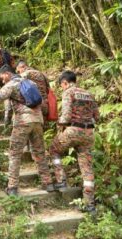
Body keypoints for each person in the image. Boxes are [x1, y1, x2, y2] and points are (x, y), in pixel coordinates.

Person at [0, 65, 55, 195]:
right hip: (38, 120)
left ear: (8, 73)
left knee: (15, 154)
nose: (1, 80)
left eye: (2, 76)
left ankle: (13, 187)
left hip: (22, 121)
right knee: (39, 152)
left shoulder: (12, 85)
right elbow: (41, 102)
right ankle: (48, 183)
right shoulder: (31, 83)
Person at [49, 70, 99, 214]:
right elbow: (97, 116)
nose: (62, 88)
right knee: (87, 167)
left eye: (62, 85)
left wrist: (60, 125)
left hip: (73, 130)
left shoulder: (68, 92)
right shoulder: (89, 94)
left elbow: (66, 114)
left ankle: (61, 180)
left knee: (54, 150)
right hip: (89, 133)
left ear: (65, 82)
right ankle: (89, 204)